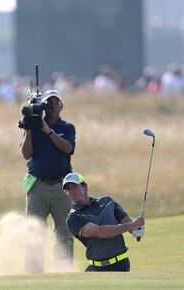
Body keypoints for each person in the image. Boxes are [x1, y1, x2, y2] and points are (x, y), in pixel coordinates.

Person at [20, 89, 76, 272]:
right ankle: (33, 273)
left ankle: (63, 270)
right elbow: (26, 154)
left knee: (64, 232)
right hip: (38, 187)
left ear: (61, 106)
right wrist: (29, 131)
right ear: (43, 105)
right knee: (34, 232)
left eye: (56, 102)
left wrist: (48, 131)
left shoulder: (67, 127)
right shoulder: (34, 127)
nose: (53, 106)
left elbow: (67, 148)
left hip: (62, 187)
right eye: (49, 102)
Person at [63, 172, 145, 272]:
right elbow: (100, 232)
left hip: (121, 265)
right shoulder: (73, 218)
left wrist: (137, 229)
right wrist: (130, 225)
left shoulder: (107, 202)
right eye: (68, 189)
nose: (72, 191)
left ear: (85, 187)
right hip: (97, 269)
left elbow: (127, 221)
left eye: (74, 186)